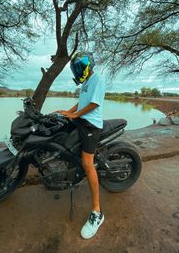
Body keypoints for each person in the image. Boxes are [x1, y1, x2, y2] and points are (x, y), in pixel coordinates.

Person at [55, 51, 106, 239]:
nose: (77, 71)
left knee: (87, 163)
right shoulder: (85, 83)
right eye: (75, 68)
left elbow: (93, 103)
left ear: (87, 66)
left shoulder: (97, 79)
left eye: (78, 67)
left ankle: (97, 212)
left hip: (91, 124)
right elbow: (82, 102)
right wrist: (67, 112)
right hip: (81, 119)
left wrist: (76, 115)